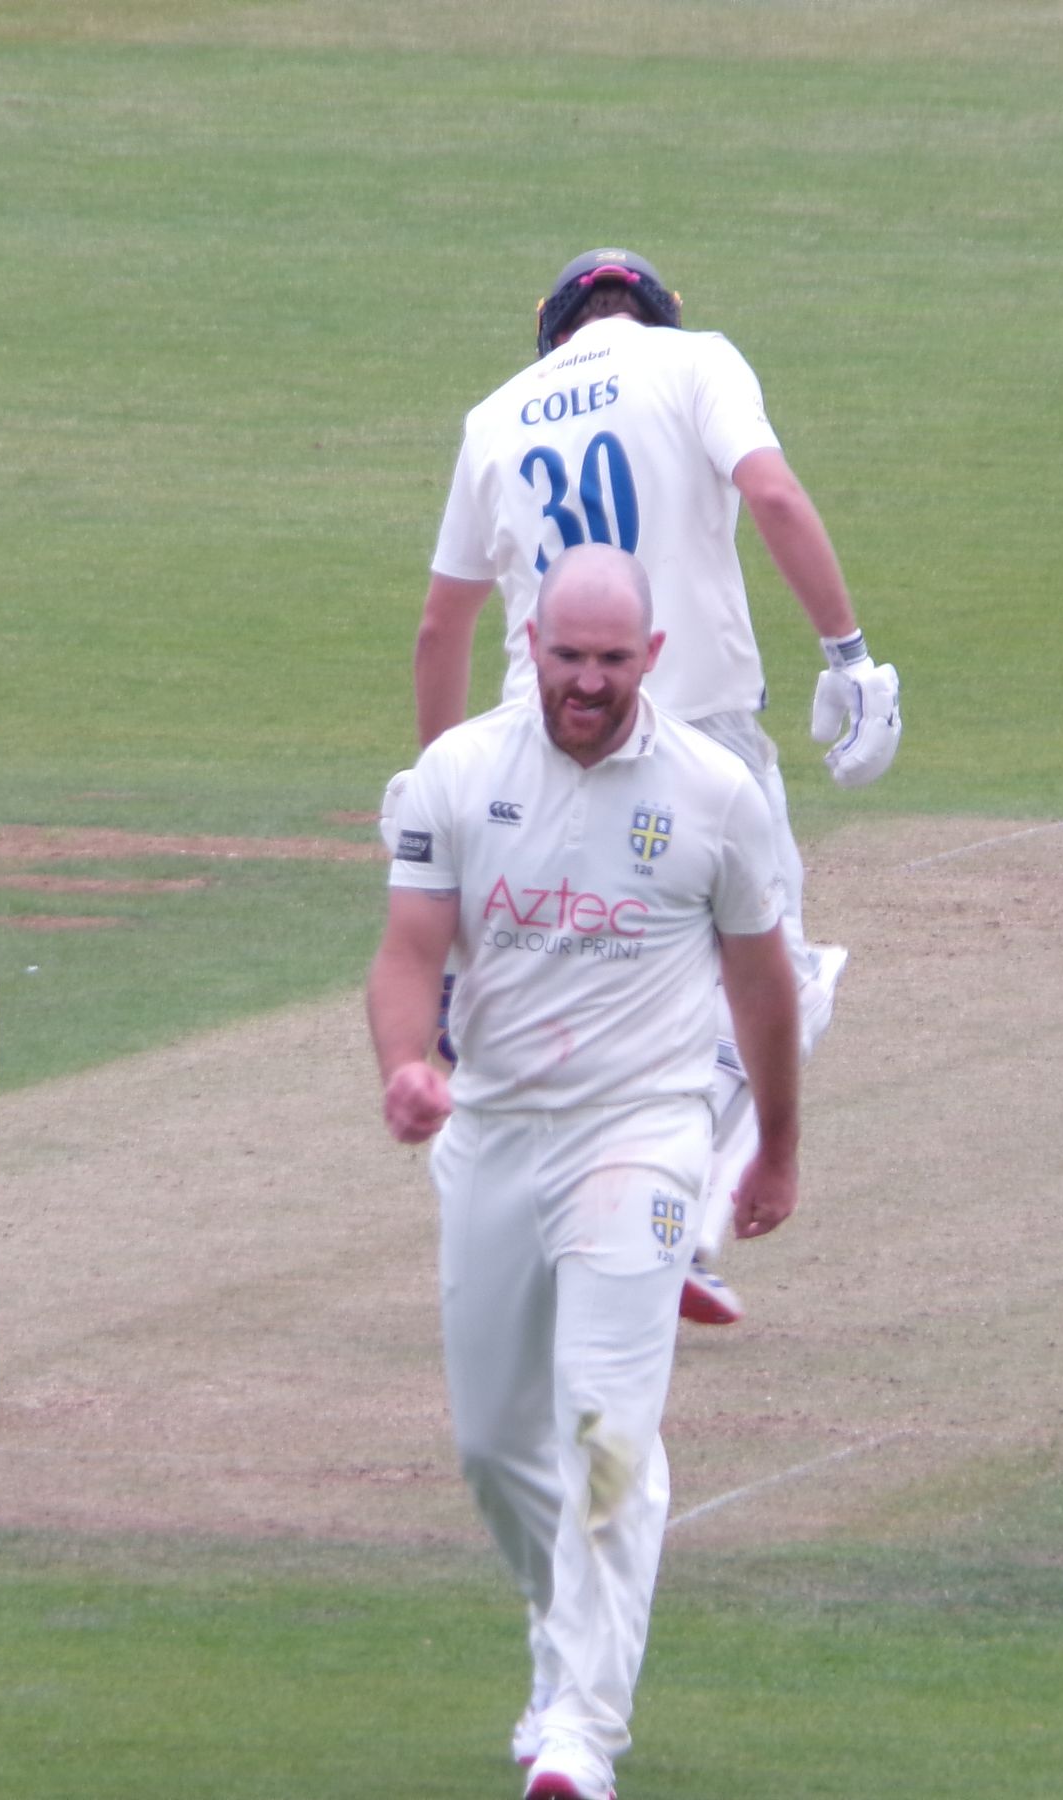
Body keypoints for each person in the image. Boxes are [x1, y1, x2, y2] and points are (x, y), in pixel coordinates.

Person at [387, 246, 898, 1327]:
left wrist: (442, 788)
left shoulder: (497, 416)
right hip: (692, 730)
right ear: (655, 315)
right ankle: (640, 1215)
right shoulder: (695, 361)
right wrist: (850, 654)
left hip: (537, 734)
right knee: (781, 977)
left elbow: (443, 624)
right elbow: (770, 490)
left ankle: (622, 1226)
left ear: (555, 328)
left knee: (574, 964)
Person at [367, 545, 801, 1800]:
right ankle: (563, 1649)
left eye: (615, 661)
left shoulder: (713, 794)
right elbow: (407, 953)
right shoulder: (458, 774)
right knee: (497, 1448)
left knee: (608, 1425)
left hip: (644, 1134)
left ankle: (581, 1739)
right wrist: (408, 1065)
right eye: (569, 657)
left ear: (652, 658)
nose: (590, 684)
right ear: (533, 645)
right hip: (496, 1131)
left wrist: (773, 1142)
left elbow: (763, 983)